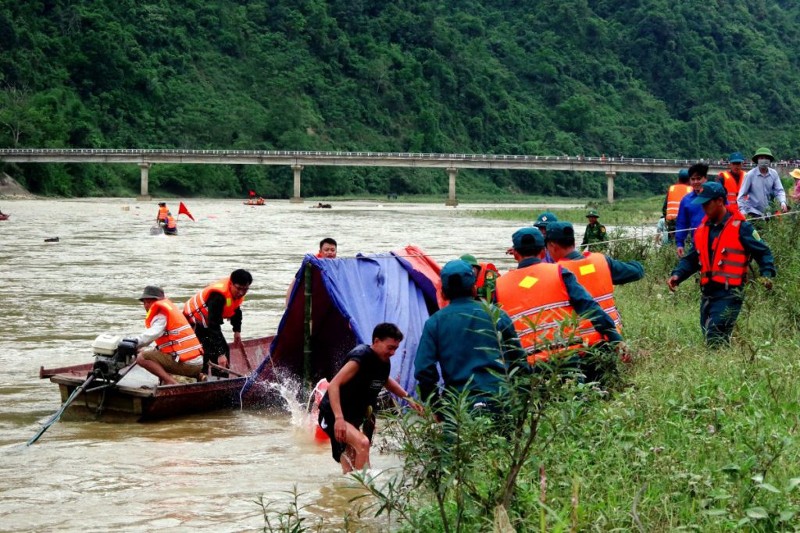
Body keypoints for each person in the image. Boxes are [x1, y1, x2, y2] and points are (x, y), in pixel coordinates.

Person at [495, 227, 623, 367]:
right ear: (544, 251)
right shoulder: (559, 273)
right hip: (567, 360)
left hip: (527, 367)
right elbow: (589, 307)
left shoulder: (498, 285)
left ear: (515, 254)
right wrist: (614, 338)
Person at [668, 182, 775, 346]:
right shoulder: (702, 229)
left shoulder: (741, 227)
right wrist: (678, 275)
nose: (703, 207)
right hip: (708, 293)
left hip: (730, 293)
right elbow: (691, 258)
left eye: (707, 203)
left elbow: (763, 252)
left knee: (715, 336)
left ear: (719, 201)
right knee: (709, 334)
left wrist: (767, 274)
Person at [415, 260, 525, 413]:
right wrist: (522, 400)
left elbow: (424, 370)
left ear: (443, 292)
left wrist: (437, 407)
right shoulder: (497, 315)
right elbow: (519, 361)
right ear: (474, 287)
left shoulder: (435, 323)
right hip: (500, 401)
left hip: (459, 407)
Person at [318, 323, 422, 473]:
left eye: (395, 349)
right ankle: (364, 490)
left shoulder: (383, 361)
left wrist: (409, 398)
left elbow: (386, 380)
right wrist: (339, 419)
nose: (393, 352)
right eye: (390, 347)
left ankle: (354, 492)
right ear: (376, 341)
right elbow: (334, 385)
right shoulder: (361, 357)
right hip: (333, 414)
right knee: (363, 443)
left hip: (352, 417)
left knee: (351, 467)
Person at [546, 221, 644, 335]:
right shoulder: (601, 261)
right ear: (573, 241)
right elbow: (637, 272)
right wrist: (635, 262)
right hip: (615, 338)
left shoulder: (555, 272)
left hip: (580, 344)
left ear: (552, 245)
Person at [183, 269, 252, 376]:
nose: (241, 293)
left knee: (222, 350)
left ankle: (220, 381)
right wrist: (220, 354)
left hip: (208, 323)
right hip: (194, 322)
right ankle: (204, 381)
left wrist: (237, 331)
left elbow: (236, 310)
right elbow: (213, 326)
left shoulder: (234, 295)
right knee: (209, 352)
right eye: (238, 288)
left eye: (245, 289)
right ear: (231, 284)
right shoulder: (218, 297)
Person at [133, 285, 204, 385]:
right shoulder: (169, 311)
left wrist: (133, 342)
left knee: (142, 358)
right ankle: (197, 376)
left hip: (189, 364)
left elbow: (151, 335)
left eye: (149, 302)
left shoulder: (161, 315)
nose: (146, 305)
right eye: (144, 302)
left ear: (157, 301)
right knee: (146, 351)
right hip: (195, 363)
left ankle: (171, 382)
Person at [737, 147, 788, 220]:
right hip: (753, 212)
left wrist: (782, 202)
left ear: (769, 160)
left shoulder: (773, 174)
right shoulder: (750, 175)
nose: (764, 160)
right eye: (761, 158)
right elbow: (741, 196)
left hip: (769, 212)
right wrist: (743, 212)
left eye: (766, 158)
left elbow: (779, 190)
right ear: (757, 160)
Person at [285, 238, 337, 305]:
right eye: (326, 250)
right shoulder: (311, 264)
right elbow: (294, 283)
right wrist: (288, 306)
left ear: (336, 252)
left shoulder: (338, 265)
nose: (330, 252)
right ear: (320, 252)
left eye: (332, 250)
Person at [675, 163, 709, 258]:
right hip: (697, 244)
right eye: (693, 179)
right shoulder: (686, 200)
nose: (695, 182)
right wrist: (680, 244)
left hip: (716, 241)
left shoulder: (715, 196)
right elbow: (682, 224)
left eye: (698, 178)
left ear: (705, 178)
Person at [663, 169, 692, 242]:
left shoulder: (671, 188)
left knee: (671, 241)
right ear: (689, 179)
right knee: (685, 242)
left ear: (678, 178)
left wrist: (666, 218)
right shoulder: (690, 189)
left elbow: (664, 207)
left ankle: (670, 251)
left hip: (671, 221)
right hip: (684, 221)